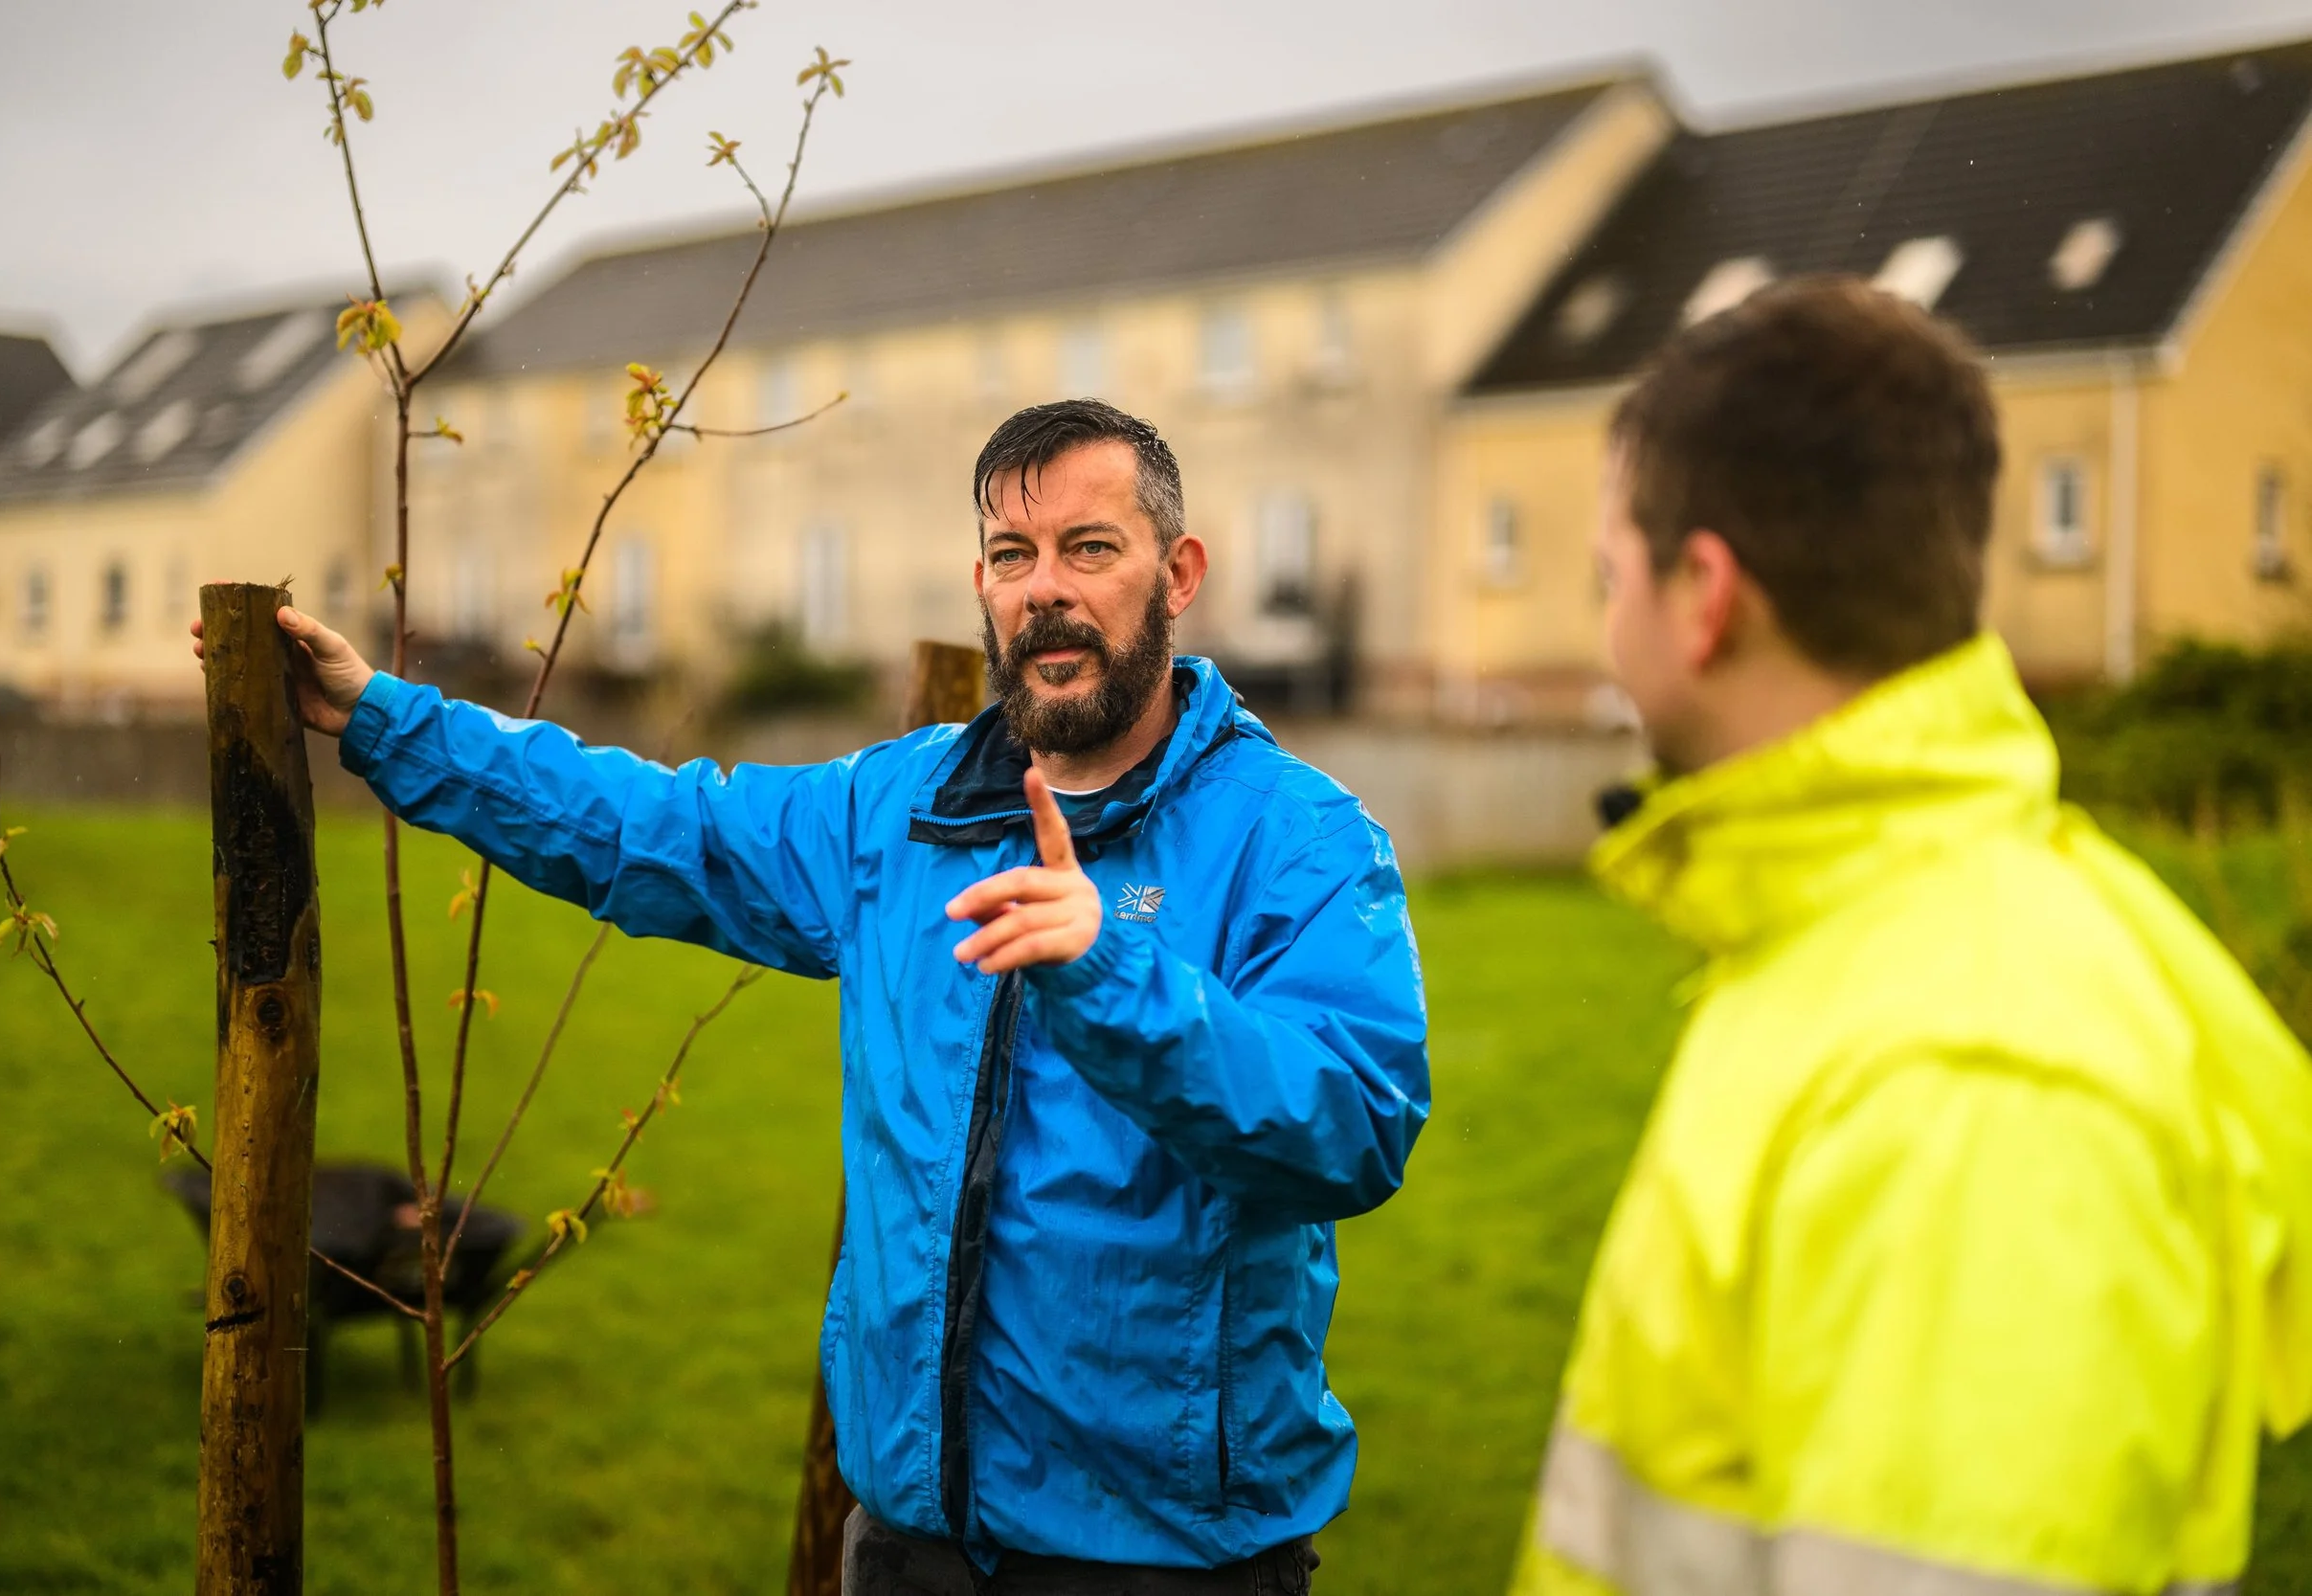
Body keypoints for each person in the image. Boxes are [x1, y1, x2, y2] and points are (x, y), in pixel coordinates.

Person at [200, 399, 1429, 1594]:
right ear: (984, 585)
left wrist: (1110, 968)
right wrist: (385, 719)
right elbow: (650, 825)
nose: (1045, 585)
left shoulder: (1298, 837)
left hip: (1165, 1561)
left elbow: (1355, 1123)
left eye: (1090, 547)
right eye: (1013, 553)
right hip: (907, 1538)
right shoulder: (896, 815)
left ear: (1178, 573)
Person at [1512, 278, 2312, 1596]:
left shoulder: (1975, 1078)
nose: (1606, 630)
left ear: (1704, 593)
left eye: (1611, 576)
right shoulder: (1856, 932)